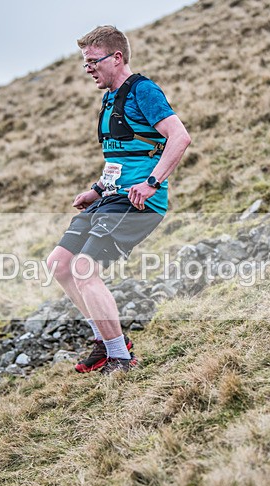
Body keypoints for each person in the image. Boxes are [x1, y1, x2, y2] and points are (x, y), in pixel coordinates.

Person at [47, 26, 191, 374]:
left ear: (117, 57)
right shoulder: (110, 97)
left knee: (84, 269)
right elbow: (121, 156)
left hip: (137, 202)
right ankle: (106, 340)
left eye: (93, 61)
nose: (89, 69)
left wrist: (153, 183)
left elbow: (180, 137)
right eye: (85, 64)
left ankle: (121, 358)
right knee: (59, 263)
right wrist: (96, 189)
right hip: (109, 198)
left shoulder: (143, 90)